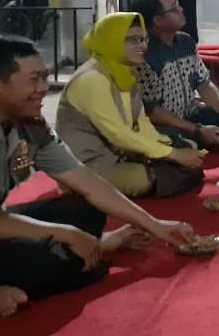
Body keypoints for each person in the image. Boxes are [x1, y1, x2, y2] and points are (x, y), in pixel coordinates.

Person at [0, 35, 193, 316]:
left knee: (84, 210)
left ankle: (60, 254)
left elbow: (86, 181)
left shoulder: (26, 121)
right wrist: (66, 234)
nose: (43, 88)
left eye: (44, 77)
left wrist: (155, 225)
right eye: (34, 80)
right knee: (51, 263)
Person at [56, 13, 205, 198]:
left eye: (144, 39)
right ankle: (76, 187)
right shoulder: (92, 78)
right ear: (112, 40)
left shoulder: (125, 72)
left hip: (121, 154)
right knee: (143, 178)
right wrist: (173, 154)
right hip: (88, 163)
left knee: (188, 147)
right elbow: (118, 134)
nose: (143, 46)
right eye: (134, 40)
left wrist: (169, 146)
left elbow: (141, 123)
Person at [131, 0, 219, 148]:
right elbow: (151, 111)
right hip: (163, 123)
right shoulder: (144, 54)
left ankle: (199, 138)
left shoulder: (186, 42)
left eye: (178, 5)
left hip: (188, 114)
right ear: (158, 20)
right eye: (174, 8)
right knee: (168, 137)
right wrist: (196, 129)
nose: (181, 9)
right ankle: (195, 139)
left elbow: (204, 84)